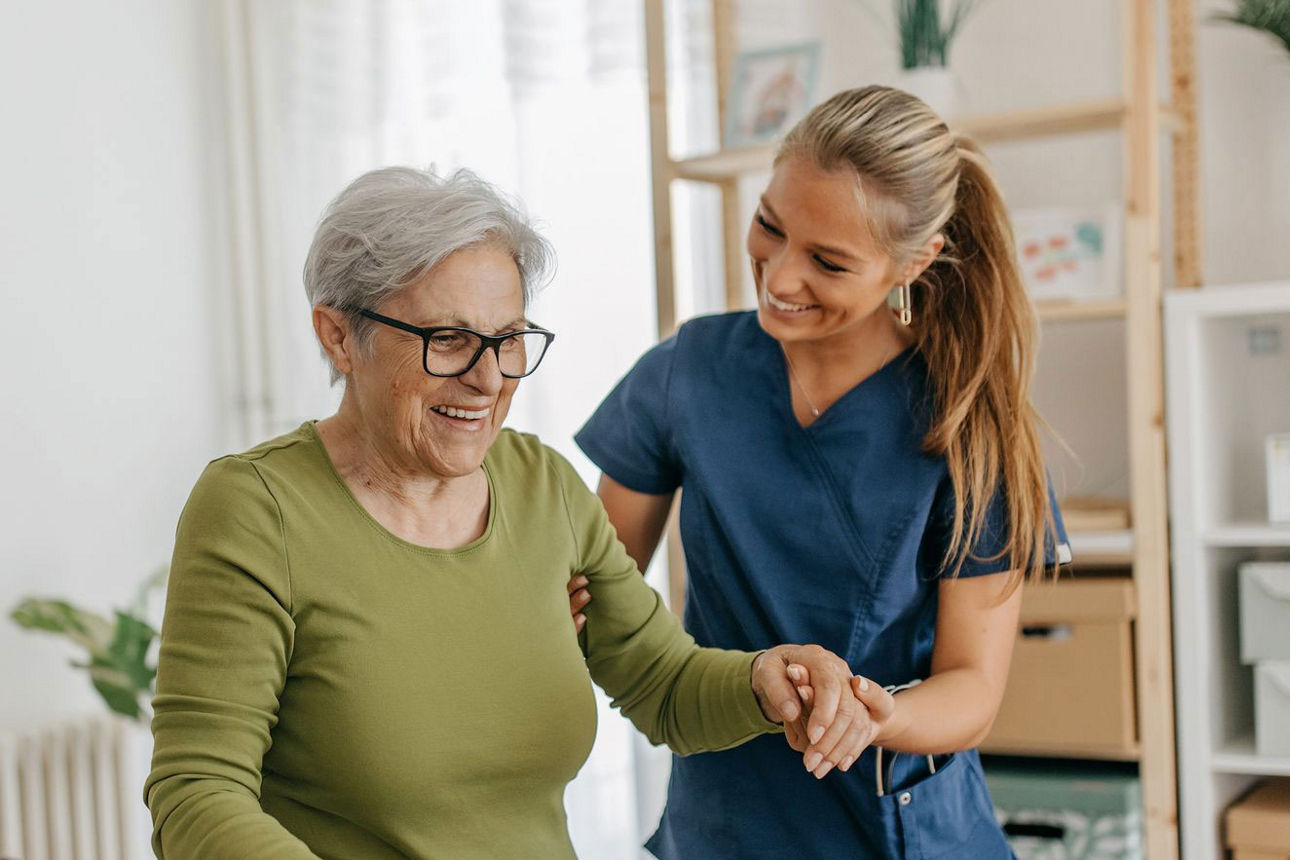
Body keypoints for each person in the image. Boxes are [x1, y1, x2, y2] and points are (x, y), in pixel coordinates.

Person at [143, 166, 880, 860]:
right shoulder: (256, 510)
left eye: (507, 340)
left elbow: (663, 684)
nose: (489, 377)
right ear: (338, 334)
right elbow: (197, 790)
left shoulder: (542, 487)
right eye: (449, 340)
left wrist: (766, 678)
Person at [572, 85, 1072, 859]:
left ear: (915, 262)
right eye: (770, 226)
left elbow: (972, 686)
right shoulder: (687, 375)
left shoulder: (967, 425)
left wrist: (874, 715)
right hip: (723, 823)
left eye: (829, 262)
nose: (779, 277)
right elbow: (594, 593)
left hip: (897, 826)